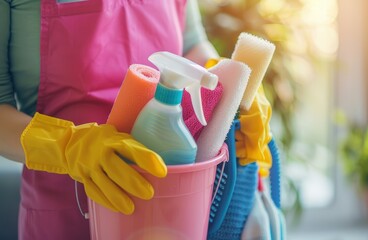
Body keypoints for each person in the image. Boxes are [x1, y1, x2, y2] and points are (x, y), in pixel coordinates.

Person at [0, 0, 219, 239]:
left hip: (167, 210)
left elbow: (194, 47)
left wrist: (226, 87)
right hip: (64, 211)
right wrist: (67, 145)